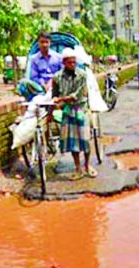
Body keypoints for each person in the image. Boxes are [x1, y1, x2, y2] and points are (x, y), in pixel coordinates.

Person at [52, 48, 96, 180]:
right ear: (64, 63)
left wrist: (60, 100)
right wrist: (56, 102)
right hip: (68, 110)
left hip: (81, 108)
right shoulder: (57, 77)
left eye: (74, 62)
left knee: (85, 140)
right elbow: (54, 94)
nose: (73, 64)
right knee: (72, 142)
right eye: (70, 62)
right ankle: (78, 168)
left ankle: (87, 165)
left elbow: (76, 95)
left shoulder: (82, 75)